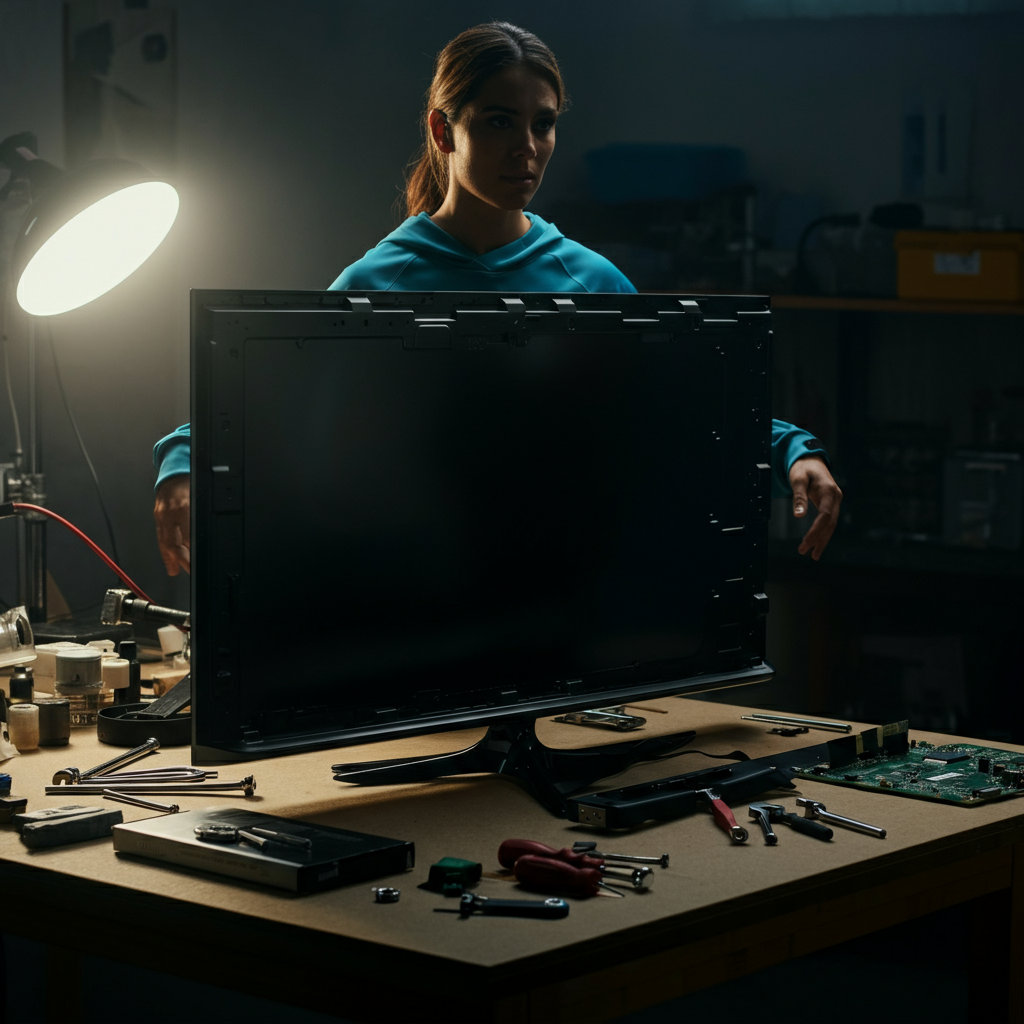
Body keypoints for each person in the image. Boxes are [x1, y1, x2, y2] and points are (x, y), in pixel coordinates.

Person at [153, 21, 842, 576]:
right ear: (441, 130)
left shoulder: (590, 282)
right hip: (417, 579)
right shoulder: (378, 282)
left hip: (564, 579)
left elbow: (689, 406)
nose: (528, 149)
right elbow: (269, 400)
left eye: (542, 124)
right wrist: (182, 463)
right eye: (499, 123)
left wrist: (792, 453)